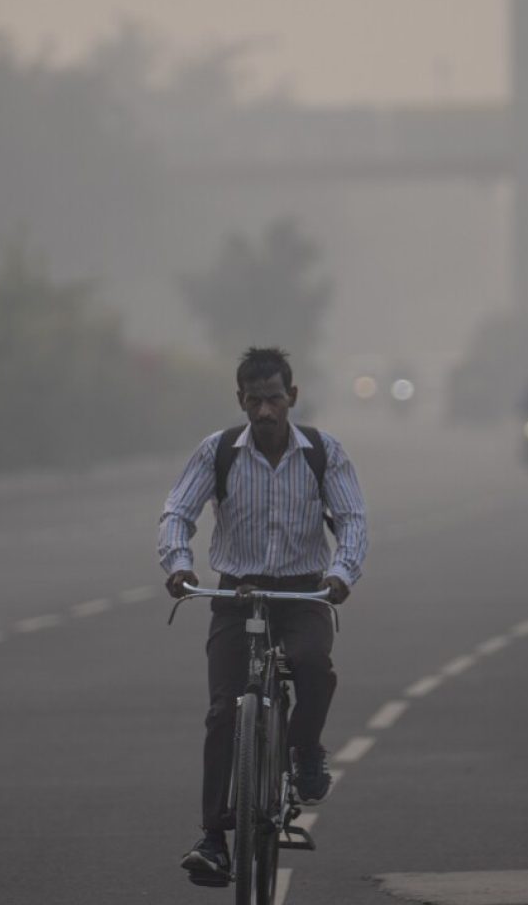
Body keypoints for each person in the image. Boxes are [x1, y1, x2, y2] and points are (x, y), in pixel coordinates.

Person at [158, 346, 368, 882]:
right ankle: (212, 837)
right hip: (237, 596)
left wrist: (341, 573)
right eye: (255, 401)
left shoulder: (323, 452)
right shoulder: (218, 452)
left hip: (304, 595)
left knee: (314, 668)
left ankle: (305, 752)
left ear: (292, 397)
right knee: (224, 711)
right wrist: (180, 564)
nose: (266, 412)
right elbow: (178, 512)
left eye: (275, 399)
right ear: (241, 401)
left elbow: (352, 520)